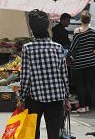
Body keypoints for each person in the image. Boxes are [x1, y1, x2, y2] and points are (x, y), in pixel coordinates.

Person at [17, 9, 71, 139]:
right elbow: (64, 74)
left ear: (33, 31)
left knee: (33, 132)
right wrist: (67, 97)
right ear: (48, 29)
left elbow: (26, 76)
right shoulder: (58, 47)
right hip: (56, 97)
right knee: (54, 134)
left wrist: (22, 98)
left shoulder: (28, 48)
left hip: (35, 98)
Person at [66, 11, 95, 113]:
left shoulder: (78, 32)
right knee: (87, 84)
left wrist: (66, 56)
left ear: (81, 20)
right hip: (90, 62)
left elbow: (72, 48)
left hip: (79, 62)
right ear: (89, 20)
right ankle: (87, 106)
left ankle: (82, 107)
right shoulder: (93, 32)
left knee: (80, 85)